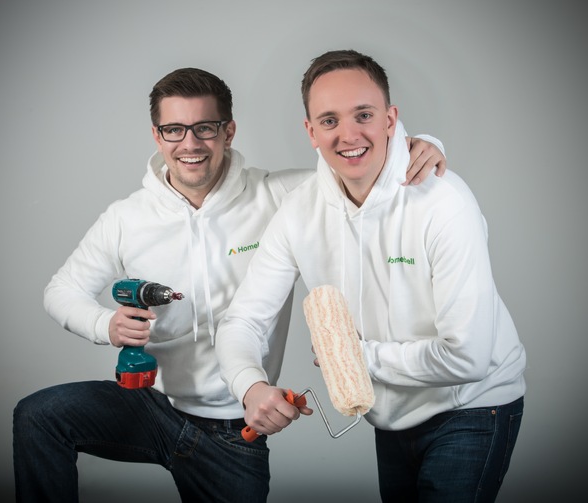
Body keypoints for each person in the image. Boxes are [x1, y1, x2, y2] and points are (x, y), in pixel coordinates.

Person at [12, 66, 446, 503]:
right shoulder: (126, 219)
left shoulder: (278, 196)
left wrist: (421, 144)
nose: (190, 144)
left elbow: (360, 166)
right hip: (152, 405)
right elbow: (60, 291)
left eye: (205, 127)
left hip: (235, 427)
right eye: (174, 130)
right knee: (39, 416)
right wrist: (104, 325)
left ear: (228, 132)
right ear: (157, 136)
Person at [215, 50, 527, 502]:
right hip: (390, 415)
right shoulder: (299, 212)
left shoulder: (444, 203)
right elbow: (243, 319)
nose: (348, 135)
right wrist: (251, 386)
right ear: (311, 132)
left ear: (390, 119)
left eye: (364, 115)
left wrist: (355, 356)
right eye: (329, 120)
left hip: (473, 405)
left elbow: (469, 357)